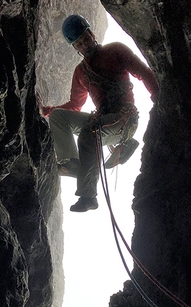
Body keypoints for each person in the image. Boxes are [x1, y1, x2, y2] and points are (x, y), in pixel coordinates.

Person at [39, 15, 159, 212]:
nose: (85, 44)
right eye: (79, 43)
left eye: (86, 38)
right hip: (101, 121)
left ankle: (88, 197)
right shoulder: (81, 72)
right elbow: (75, 105)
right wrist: (48, 111)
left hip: (124, 119)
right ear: (75, 48)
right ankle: (74, 164)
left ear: (92, 34)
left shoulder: (115, 51)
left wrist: (157, 97)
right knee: (59, 117)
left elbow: (142, 72)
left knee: (89, 134)